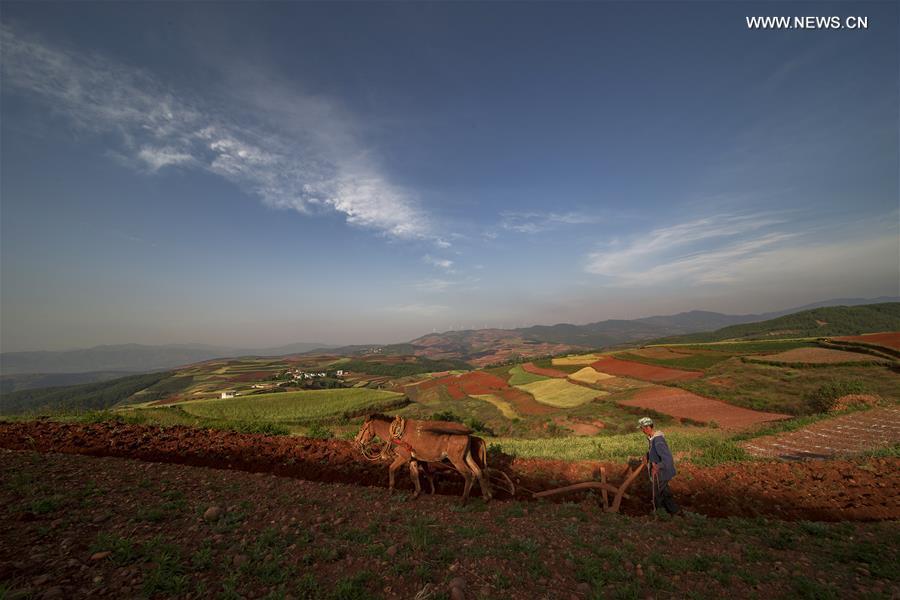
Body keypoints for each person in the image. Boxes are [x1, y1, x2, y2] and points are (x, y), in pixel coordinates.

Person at [638, 417, 680, 515]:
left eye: (642, 428)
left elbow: (668, 459)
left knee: (657, 495)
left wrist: (657, 467)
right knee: (665, 493)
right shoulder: (652, 439)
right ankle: (675, 512)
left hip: (662, 473)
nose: (642, 430)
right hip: (661, 473)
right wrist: (647, 457)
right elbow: (654, 453)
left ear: (648, 427)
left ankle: (660, 514)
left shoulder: (658, 441)